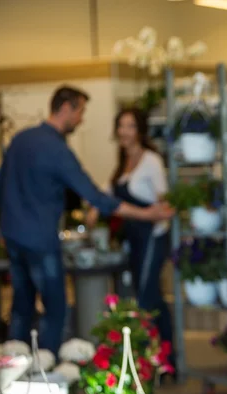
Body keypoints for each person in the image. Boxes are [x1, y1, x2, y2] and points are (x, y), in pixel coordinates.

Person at [0, 86, 174, 357]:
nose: (81, 119)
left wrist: (7, 225)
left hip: (13, 238)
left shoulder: (20, 139)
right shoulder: (56, 149)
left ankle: (15, 372)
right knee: (55, 309)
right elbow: (95, 196)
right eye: (80, 112)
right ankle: (47, 375)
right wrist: (146, 214)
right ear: (66, 109)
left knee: (21, 306)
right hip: (41, 240)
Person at [85, 108, 174, 370]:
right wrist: (92, 210)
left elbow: (166, 207)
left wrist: (149, 216)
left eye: (130, 126)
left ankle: (142, 364)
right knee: (153, 298)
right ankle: (168, 361)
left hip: (153, 239)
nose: (124, 132)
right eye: (121, 126)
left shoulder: (151, 161)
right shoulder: (121, 164)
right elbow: (104, 194)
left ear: (140, 130)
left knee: (144, 301)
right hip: (134, 240)